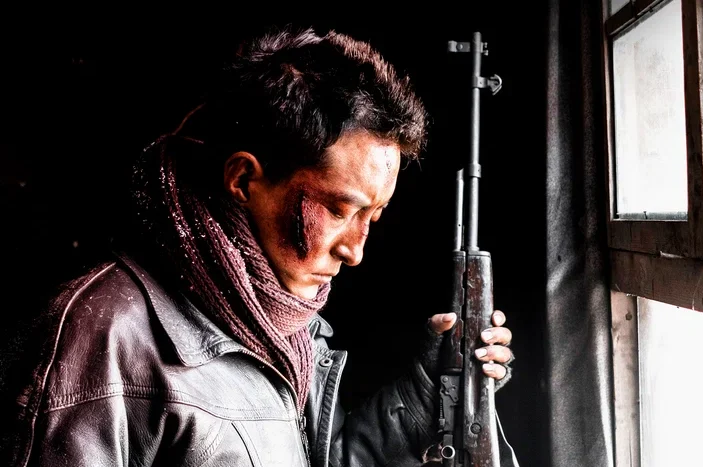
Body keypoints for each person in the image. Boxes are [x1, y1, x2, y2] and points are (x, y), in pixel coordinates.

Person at [5, 26, 518, 466]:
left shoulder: (286, 327)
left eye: (373, 217)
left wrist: (427, 392)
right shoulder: (102, 338)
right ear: (244, 179)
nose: (355, 251)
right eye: (339, 210)